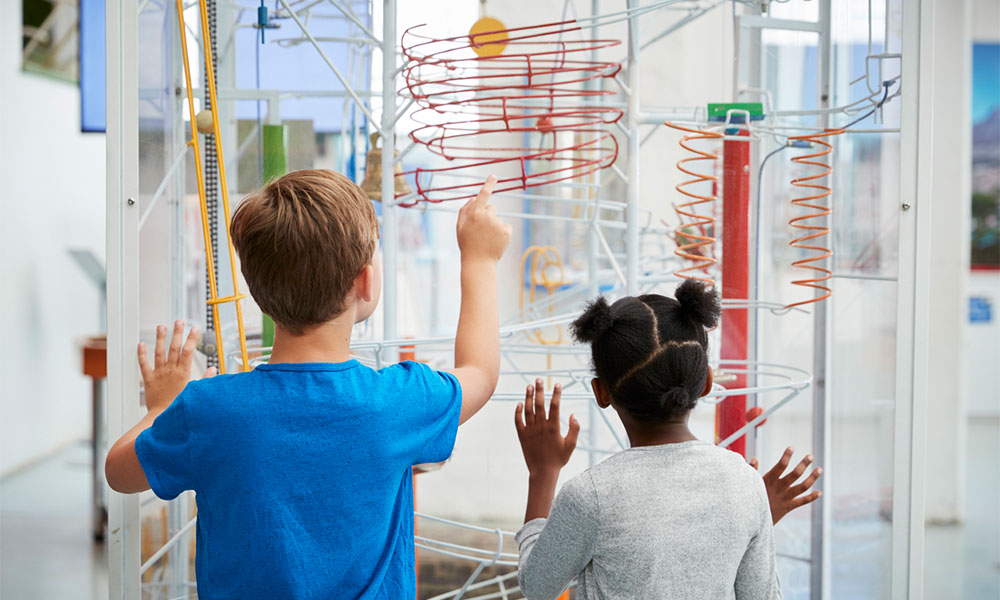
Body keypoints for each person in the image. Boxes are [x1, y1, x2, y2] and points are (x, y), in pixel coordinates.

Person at [105, 170, 511, 599]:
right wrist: (480, 259)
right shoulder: (396, 403)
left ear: (257, 288)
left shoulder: (208, 410)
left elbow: (119, 472)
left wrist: (160, 406)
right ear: (365, 281)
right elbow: (480, 372)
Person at [513, 280, 822, 600]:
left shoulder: (591, 496)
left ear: (601, 392)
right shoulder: (745, 482)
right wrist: (754, 518)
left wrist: (542, 473)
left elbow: (537, 586)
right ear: (706, 383)